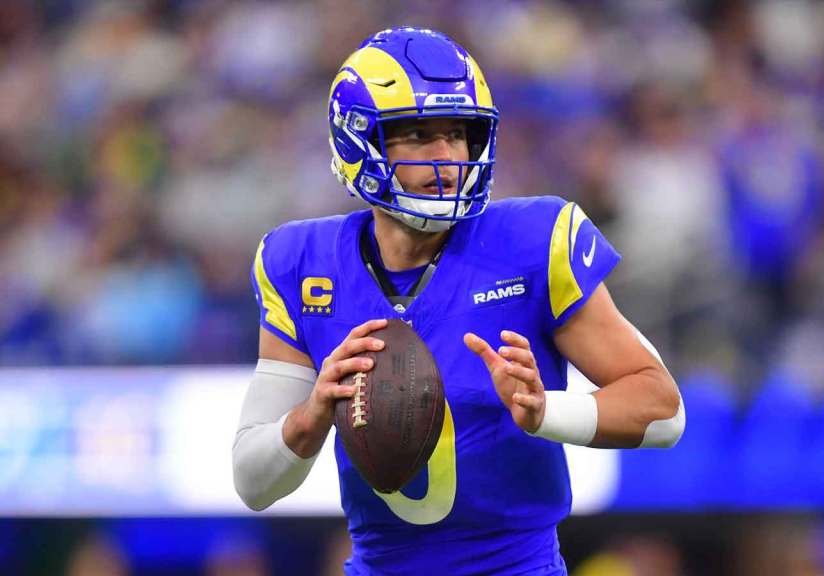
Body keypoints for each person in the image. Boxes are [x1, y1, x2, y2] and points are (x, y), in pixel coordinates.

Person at [232, 27, 684, 575]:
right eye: (420, 135)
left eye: (460, 134)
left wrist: (546, 413)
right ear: (359, 140)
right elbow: (252, 481)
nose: (447, 158)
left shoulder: (534, 243)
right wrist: (309, 419)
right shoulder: (301, 262)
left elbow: (663, 410)